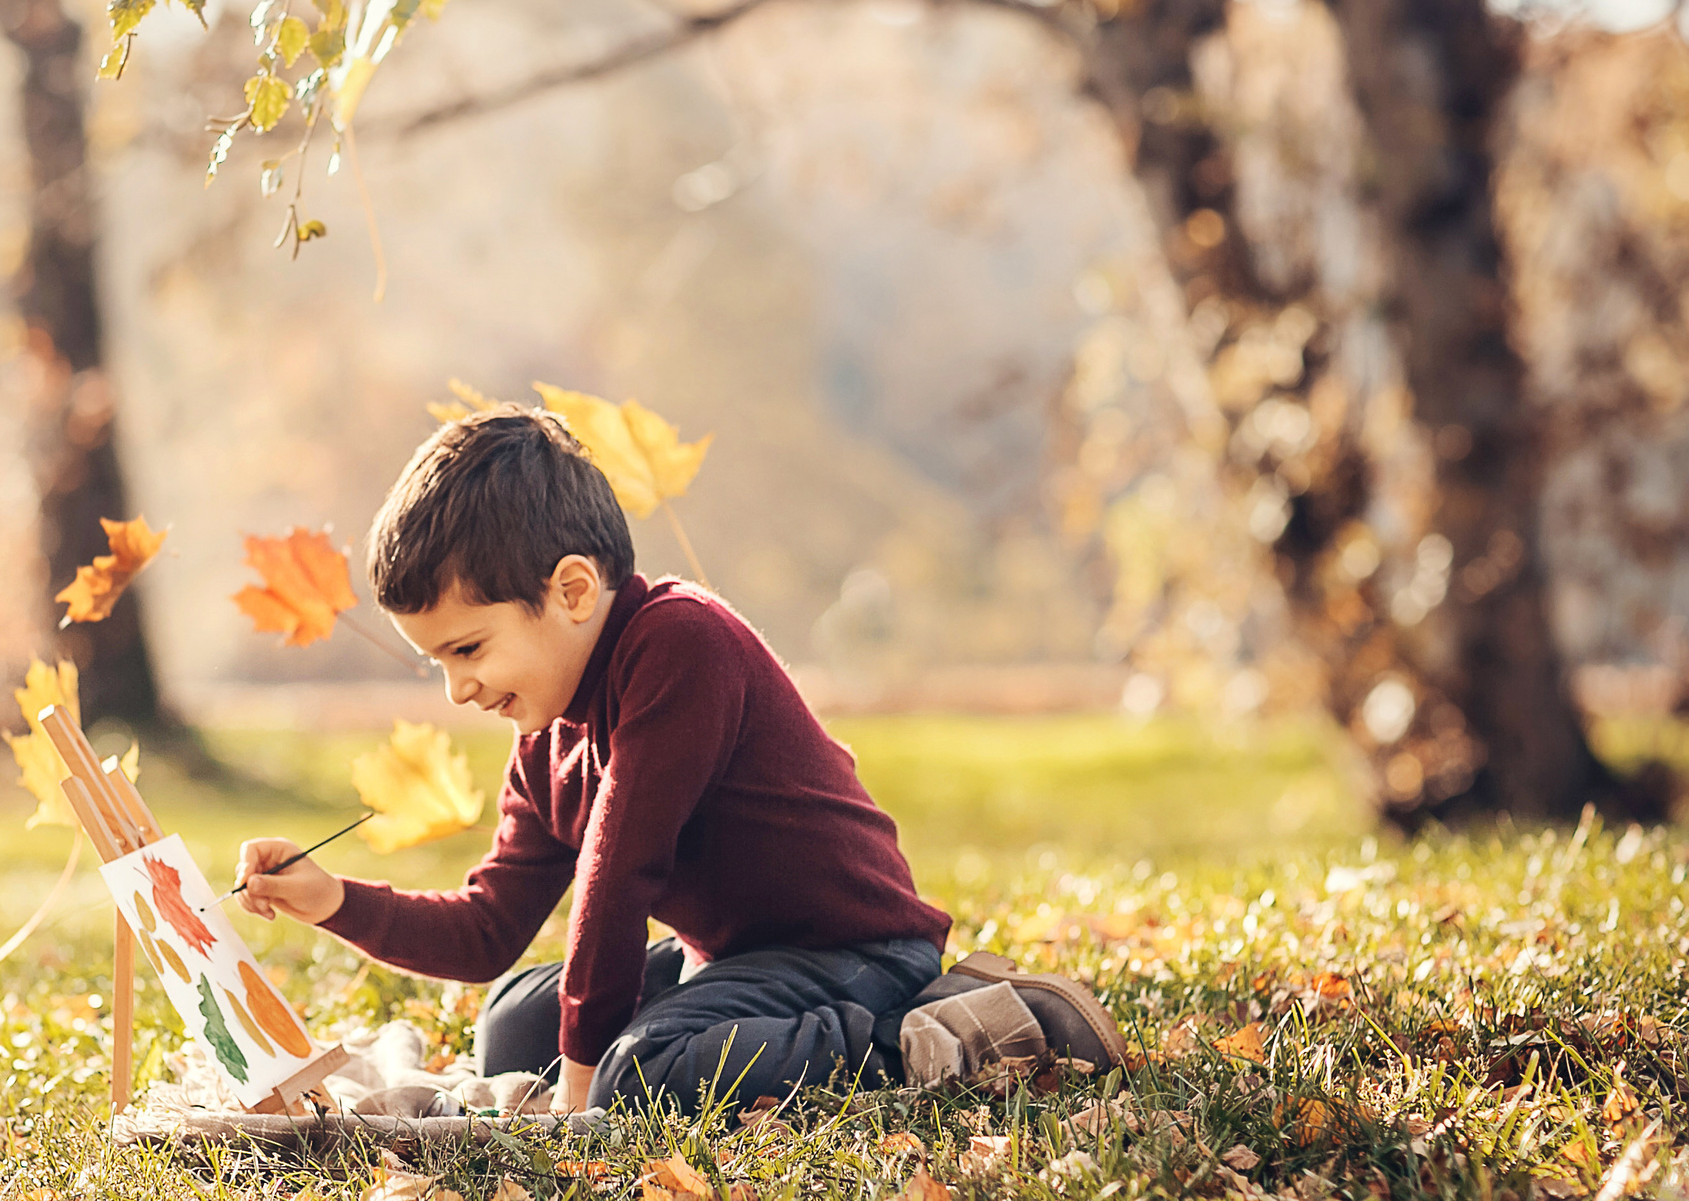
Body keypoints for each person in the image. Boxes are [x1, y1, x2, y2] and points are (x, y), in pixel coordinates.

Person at [234, 405, 1123, 1114]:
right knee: (510, 1029)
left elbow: (621, 873)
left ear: (573, 590)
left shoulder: (680, 642)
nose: (456, 690)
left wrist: (585, 1083)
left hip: (852, 947)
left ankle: (944, 1031)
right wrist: (334, 899)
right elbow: (489, 929)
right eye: (439, 664)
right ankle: (688, 1040)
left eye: (469, 649)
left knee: (631, 1076)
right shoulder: (543, 742)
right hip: (733, 957)